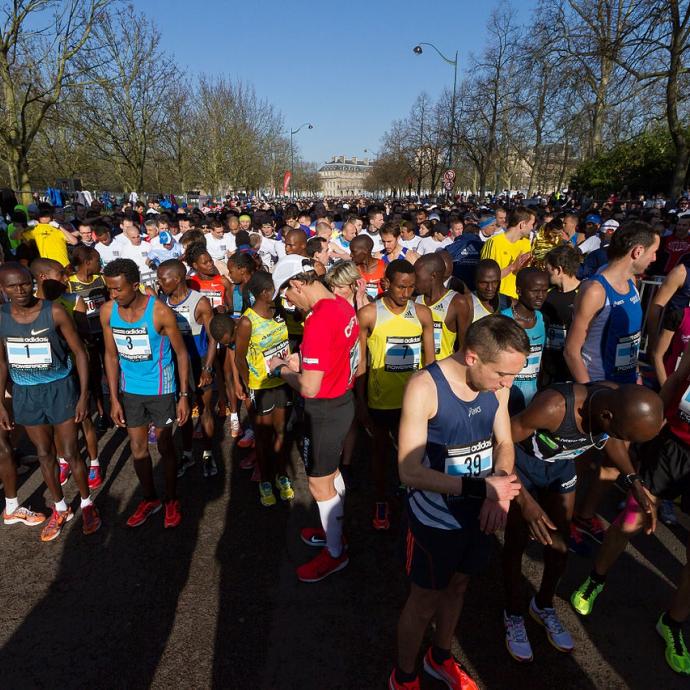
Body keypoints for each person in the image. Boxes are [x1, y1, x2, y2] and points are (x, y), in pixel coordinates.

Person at [390, 315, 527, 690]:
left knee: (460, 586)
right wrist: (483, 490)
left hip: (478, 512)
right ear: (472, 358)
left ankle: (440, 656)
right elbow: (409, 471)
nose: (508, 385)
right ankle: (403, 677)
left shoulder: (496, 385)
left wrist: (496, 489)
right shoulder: (424, 387)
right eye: (503, 374)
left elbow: (504, 443)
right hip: (435, 520)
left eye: (514, 375)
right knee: (424, 601)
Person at [503, 383, 663, 663]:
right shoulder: (554, 407)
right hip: (522, 466)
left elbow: (610, 439)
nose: (620, 439)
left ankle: (542, 606)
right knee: (516, 540)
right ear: (607, 417)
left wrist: (635, 482)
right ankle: (513, 613)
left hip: (559, 468)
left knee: (560, 545)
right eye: (621, 433)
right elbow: (500, 446)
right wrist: (525, 501)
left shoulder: (613, 401)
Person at [570, 341, 690, 677]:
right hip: (672, 448)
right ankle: (597, 578)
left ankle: (673, 622)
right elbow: (678, 377)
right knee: (631, 519)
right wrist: (649, 432)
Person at [564, 221, 659, 541]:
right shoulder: (594, 289)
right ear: (637, 251)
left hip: (626, 389)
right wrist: (592, 395)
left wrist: (634, 375)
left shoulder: (632, 281)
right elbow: (572, 351)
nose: (656, 259)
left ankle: (584, 515)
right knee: (582, 462)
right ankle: (563, 519)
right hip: (599, 394)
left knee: (615, 463)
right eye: (654, 252)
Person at [268, 254, 360, 582]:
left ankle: (335, 553)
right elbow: (344, 354)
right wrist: (303, 362)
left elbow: (309, 385)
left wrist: (282, 369)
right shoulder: (341, 303)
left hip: (324, 409)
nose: (288, 302)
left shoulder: (319, 319)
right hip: (343, 400)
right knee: (331, 473)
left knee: (319, 485)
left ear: (297, 284)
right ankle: (334, 531)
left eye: (287, 294)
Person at [0, 263, 99, 541]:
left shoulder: (53, 311)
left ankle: (87, 503)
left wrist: (83, 396)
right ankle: (59, 507)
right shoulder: (1, 317)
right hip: (26, 393)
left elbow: (80, 352)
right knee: (44, 453)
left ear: (33, 282)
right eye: (12, 286)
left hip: (60, 389)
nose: (20, 290)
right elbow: (2, 362)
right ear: (3, 289)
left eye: (24, 284)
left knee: (70, 452)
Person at [101, 259, 190, 528]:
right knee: (138, 449)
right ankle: (149, 498)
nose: (113, 295)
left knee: (165, 446)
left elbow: (182, 353)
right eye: (109, 289)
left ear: (135, 285)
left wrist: (184, 395)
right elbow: (111, 355)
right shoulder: (108, 312)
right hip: (130, 392)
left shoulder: (160, 312)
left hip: (161, 390)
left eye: (118, 289)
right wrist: (114, 397)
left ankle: (171, 499)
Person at [357, 259, 436, 530]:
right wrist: (361, 402)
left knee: (411, 453)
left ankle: (409, 493)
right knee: (380, 453)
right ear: (386, 284)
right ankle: (381, 500)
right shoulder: (369, 314)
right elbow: (361, 363)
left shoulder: (423, 314)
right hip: (380, 400)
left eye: (412, 287)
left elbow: (430, 363)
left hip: (413, 402)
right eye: (401, 287)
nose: (407, 293)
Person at [234, 271, 294, 507]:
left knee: (281, 431)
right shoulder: (248, 321)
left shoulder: (278, 312)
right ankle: (266, 479)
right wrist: (248, 384)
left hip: (283, 381)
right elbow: (239, 358)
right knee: (263, 436)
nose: (282, 293)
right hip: (261, 387)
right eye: (277, 289)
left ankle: (280, 474)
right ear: (263, 293)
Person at [157, 259, 218, 478]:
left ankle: (209, 453)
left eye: (162, 279)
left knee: (205, 410)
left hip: (198, 362)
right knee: (182, 411)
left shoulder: (199, 302)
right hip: (174, 363)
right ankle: (188, 453)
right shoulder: (161, 301)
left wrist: (208, 368)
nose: (159, 282)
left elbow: (213, 338)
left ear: (178, 278)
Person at [501, 268, 548, 412]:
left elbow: (542, 360)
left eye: (544, 290)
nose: (540, 296)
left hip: (532, 399)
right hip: (505, 398)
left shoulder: (542, 319)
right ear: (519, 291)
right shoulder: (503, 320)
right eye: (534, 291)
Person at [414, 253, 470, 359]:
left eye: (417, 276)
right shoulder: (414, 299)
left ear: (433, 276)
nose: (413, 280)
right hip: (415, 372)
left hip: (441, 372)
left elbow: (463, 347)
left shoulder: (457, 302)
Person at [541, 245, 581, 385]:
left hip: (573, 371)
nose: (546, 274)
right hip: (548, 370)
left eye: (548, 270)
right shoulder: (546, 295)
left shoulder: (585, 295)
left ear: (558, 270)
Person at [480, 208, 536, 300]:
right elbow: (485, 278)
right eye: (531, 224)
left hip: (516, 300)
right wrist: (512, 267)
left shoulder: (526, 244)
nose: (532, 228)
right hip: (495, 300)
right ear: (522, 224)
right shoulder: (494, 243)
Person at [19, 202, 78, 267]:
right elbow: (14, 236)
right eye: (42, 215)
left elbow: (74, 242)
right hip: (49, 266)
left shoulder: (56, 228)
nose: (45, 217)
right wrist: (26, 225)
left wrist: (59, 227)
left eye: (47, 215)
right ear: (38, 216)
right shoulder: (35, 229)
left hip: (64, 264)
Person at [186, 242, 233, 312]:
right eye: (205, 263)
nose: (210, 264)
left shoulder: (223, 281)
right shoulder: (190, 282)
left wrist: (225, 309)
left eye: (211, 260)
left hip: (218, 321)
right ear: (195, 265)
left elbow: (232, 307)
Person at [447, 224, 484, 291]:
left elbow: (441, 257)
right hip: (477, 287)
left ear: (464, 232)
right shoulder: (484, 246)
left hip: (457, 286)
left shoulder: (454, 245)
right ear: (477, 233)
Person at [350, 235, 386, 300]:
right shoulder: (353, 270)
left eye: (353, 251)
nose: (351, 255)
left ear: (365, 251)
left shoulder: (384, 268)